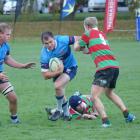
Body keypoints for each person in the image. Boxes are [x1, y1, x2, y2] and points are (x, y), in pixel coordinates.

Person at [73, 17, 135, 127]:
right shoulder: (102, 34)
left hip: (104, 68)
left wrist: (76, 42)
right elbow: (93, 49)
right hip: (114, 66)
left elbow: (76, 48)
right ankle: (128, 115)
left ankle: (105, 121)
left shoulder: (88, 33)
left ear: (87, 26)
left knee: (94, 96)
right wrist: (86, 49)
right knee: (109, 93)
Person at [0, 23, 35, 124]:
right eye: (7, 34)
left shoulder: (5, 46)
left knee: (13, 98)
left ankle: (14, 120)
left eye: (10, 34)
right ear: (0, 34)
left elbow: (7, 59)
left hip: (1, 77)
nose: (9, 36)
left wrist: (22, 66)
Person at [40, 31, 79, 121]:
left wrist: (82, 46)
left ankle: (58, 110)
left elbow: (78, 38)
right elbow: (45, 75)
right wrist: (59, 71)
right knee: (60, 90)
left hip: (71, 67)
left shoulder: (63, 40)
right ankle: (67, 115)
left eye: (51, 42)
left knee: (58, 86)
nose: (49, 45)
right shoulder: (44, 54)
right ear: (43, 44)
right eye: (46, 43)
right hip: (58, 71)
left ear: (54, 38)